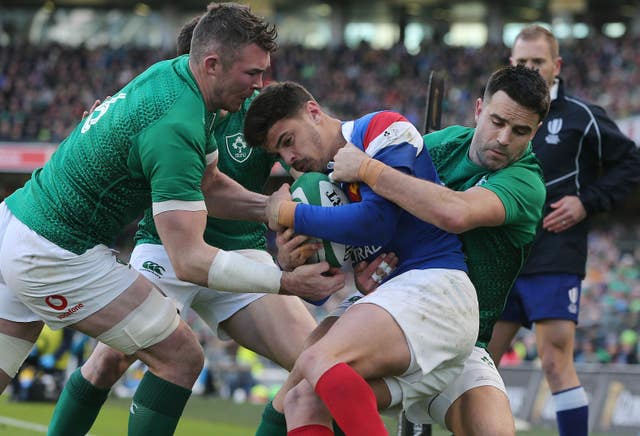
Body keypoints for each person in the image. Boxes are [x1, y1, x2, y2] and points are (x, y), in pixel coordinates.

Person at [0, 4, 344, 436]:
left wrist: (280, 212)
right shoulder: (178, 123)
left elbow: (211, 185)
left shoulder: (183, 85)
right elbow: (189, 259)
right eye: (251, 73)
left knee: (316, 365)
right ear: (212, 64)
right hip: (64, 249)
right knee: (179, 356)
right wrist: (286, 281)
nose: (260, 84)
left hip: (19, 221)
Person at [254, 65, 549, 436]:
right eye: (497, 121)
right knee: (302, 393)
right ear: (478, 109)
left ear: (535, 132)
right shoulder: (440, 145)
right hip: (399, 308)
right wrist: (306, 255)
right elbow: (349, 222)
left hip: (458, 328)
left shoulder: (526, 183)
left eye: (520, 131)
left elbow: (453, 213)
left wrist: (368, 168)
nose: (504, 138)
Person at [487, 25, 640, 436]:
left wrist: (586, 201)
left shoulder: (581, 116)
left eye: (537, 62)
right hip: (503, 254)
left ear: (556, 66)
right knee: (482, 361)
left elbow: (633, 162)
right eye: (521, 62)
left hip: (555, 251)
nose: (529, 69)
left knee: (555, 360)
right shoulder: (498, 118)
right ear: (511, 63)